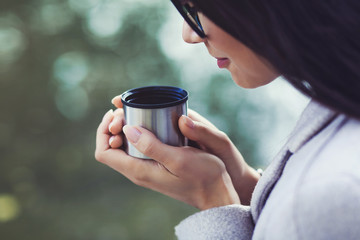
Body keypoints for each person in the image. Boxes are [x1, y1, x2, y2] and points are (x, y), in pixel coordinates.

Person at [95, 0, 360, 239]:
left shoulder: (322, 201)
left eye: (196, 7)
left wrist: (213, 199)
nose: (189, 35)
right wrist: (246, 187)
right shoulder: (340, 108)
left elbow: (309, 214)